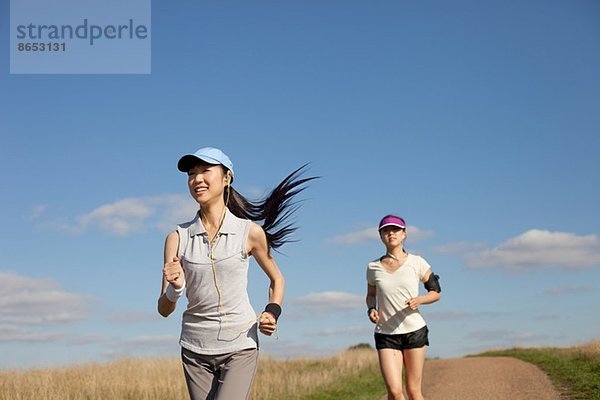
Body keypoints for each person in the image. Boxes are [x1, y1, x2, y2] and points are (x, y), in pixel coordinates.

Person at [158, 147, 316, 400]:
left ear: (227, 177)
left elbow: (277, 279)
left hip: (240, 344)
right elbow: (164, 309)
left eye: (205, 171)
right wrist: (175, 289)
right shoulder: (177, 238)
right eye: (191, 173)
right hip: (194, 348)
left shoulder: (249, 232)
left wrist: (271, 312)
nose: (197, 179)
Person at [366, 215, 441, 400]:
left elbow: (436, 292)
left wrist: (420, 300)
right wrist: (371, 309)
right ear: (380, 235)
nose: (391, 233)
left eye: (395, 230)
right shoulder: (373, 267)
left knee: (413, 391)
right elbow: (371, 295)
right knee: (394, 391)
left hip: (414, 331)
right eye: (386, 230)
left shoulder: (417, 262)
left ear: (404, 233)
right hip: (385, 333)